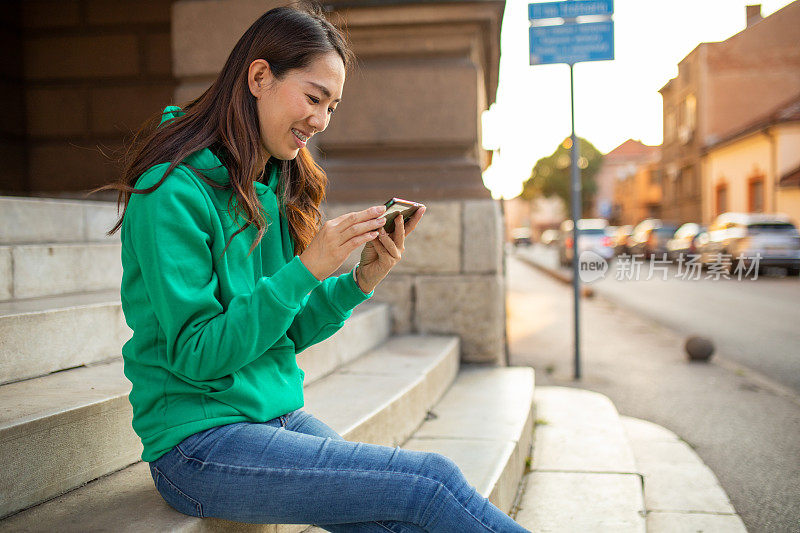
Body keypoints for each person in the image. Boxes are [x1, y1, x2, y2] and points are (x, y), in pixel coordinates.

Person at [93, 3, 530, 532]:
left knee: (391, 520)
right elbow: (197, 354)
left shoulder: (273, 181)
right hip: (196, 444)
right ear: (259, 77)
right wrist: (305, 269)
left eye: (332, 107)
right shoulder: (171, 192)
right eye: (313, 98)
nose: (320, 121)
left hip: (273, 416)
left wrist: (358, 281)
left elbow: (284, 333)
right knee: (427, 485)